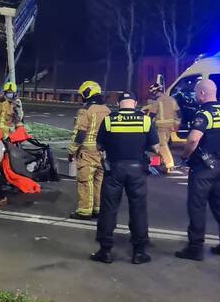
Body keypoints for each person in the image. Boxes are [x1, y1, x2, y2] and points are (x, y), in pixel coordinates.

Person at [176, 79, 220, 261]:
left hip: (202, 169)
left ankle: (195, 249)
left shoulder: (204, 114)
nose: (196, 96)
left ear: (202, 94)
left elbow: (193, 139)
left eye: (197, 93)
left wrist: (184, 156)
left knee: (197, 207)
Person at [91, 92, 160, 264]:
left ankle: (105, 251)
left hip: (114, 169)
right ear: (135, 103)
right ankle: (139, 252)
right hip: (137, 170)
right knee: (138, 210)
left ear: (119, 103)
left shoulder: (109, 120)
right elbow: (156, 147)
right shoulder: (145, 120)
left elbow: (99, 145)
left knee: (108, 209)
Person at [67, 81, 111, 220]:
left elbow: (80, 133)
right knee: (99, 180)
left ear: (87, 93)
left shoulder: (85, 110)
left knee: (85, 181)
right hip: (103, 152)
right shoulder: (107, 110)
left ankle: (85, 210)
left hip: (87, 151)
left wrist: (71, 150)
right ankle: (98, 209)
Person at [143, 83, 181, 174]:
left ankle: (169, 164)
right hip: (170, 126)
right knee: (161, 146)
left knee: (161, 145)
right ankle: (156, 164)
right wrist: (177, 124)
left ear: (154, 92)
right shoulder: (172, 99)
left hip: (161, 126)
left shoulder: (158, 101)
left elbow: (152, 114)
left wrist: (148, 126)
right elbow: (178, 113)